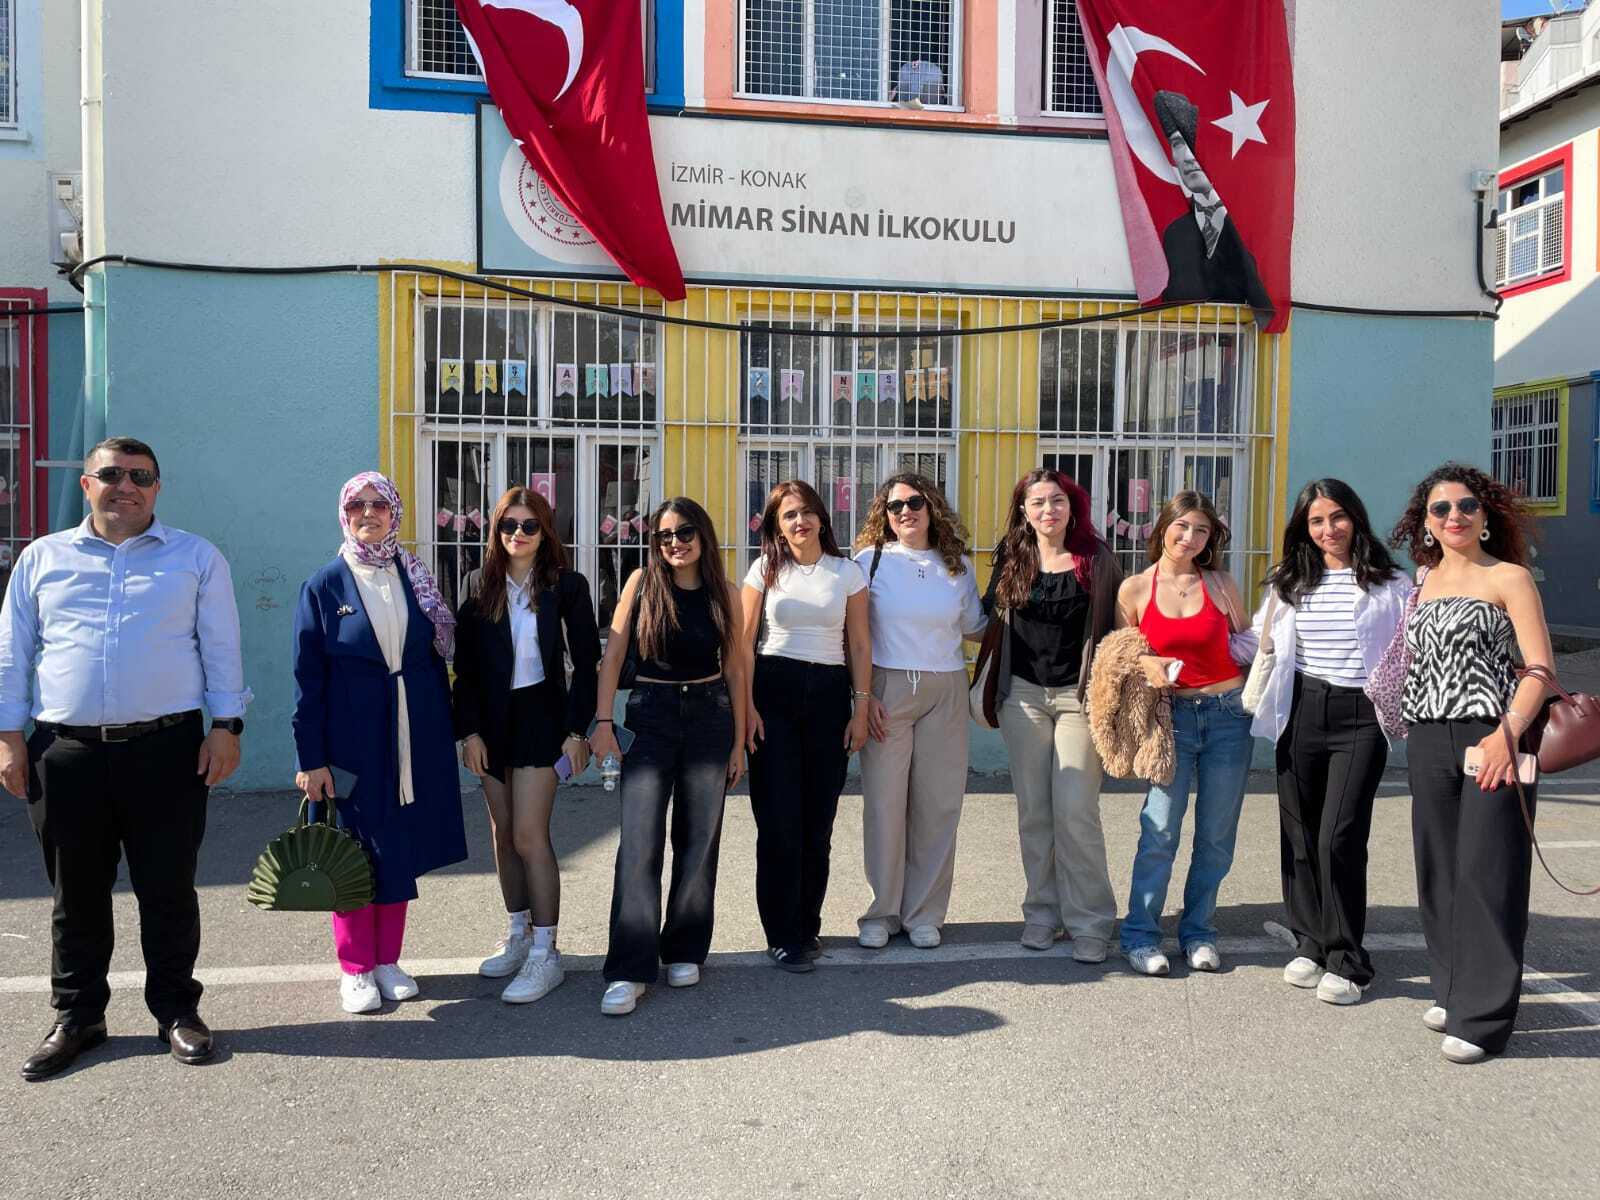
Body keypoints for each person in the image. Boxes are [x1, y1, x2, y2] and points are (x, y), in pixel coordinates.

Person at [0, 437, 249, 1080]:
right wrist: (7, 736)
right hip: (65, 753)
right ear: (87, 485)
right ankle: (78, 1016)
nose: (125, 486)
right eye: (111, 474)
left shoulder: (196, 558)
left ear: (157, 487)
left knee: (168, 889)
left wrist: (226, 726)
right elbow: (12, 652)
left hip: (166, 750)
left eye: (140, 475)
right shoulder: (42, 558)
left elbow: (221, 647)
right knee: (75, 895)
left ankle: (177, 1010)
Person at [1390, 463, 1553, 1064]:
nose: (1453, 516)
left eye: (1465, 506)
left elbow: (1540, 669)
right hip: (1429, 737)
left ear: (1485, 516)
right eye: (1440, 509)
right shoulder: (1425, 580)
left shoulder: (1509, 576)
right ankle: (1453, 988)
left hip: (1492, 735)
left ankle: (1483, 1019)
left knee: (1489, 873)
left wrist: (1507, 734)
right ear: (1426, 523)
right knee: (1440, 870)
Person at [292, 472, 469, 1015]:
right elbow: (307, 679)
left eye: (378, 505)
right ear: (343, 516)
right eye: (356, 506)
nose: (367, 513)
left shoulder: (414, 575)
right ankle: (355, 968)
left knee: (397, 847)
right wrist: (311, 759)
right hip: (351, 743)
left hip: (412, 736)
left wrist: (446, 732)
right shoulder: (324, 585)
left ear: (395, 513)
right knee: (352, 850)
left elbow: (433, 656)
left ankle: (388, 961)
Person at [1251, 479, 1411, 1005]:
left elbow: (1413, 647)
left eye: (1337, 517)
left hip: (1360, 717)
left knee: (1339, 836)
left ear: (1355, 518)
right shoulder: (1290, 581)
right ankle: (1310, 942)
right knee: (1299, 833)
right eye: (1316, 521)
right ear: (1305, 528)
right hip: (1300, 709)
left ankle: (1348, 961)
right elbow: (1256, 640)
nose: (1328, 529)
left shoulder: (1391, 583)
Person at [590, 498, 747, 1016]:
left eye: (684, 533)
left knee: (699, 841)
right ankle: (629, 968)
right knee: (639, 844)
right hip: (651, 717)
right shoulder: (642, 583)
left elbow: (737, 667)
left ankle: (684, 948)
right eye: (664, 536)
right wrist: (604, 723)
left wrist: (739, 740)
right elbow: (613, 654)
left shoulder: (725, 592)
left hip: (710, 717)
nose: (674, 543)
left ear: (702, 534)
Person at [452, 487, 600, 1004]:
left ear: (545, 531)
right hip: (493, 722)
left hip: (542, 716)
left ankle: (546, 952)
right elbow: (465, 669)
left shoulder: (567, 585)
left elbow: (587, 664)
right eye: (508, 525)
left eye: (529, 525)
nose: (518, 534)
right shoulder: (478, 583)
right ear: (495, 531)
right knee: (503, 832)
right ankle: (518, 933)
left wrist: (577, 732)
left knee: (529, 835)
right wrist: (468, 732)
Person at [984, 469, 1124, 962]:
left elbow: (1117, 626)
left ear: (1072, 506)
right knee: (1034, 813)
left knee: (1075, 811)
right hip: (1022, 696)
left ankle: (1090, 921)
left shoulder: (1096, 559)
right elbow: (988, 618)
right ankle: (1042, 913)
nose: (1048, 510)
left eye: (1057, 500)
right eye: (1038, 502)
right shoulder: (1012, 556)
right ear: (1024, 511)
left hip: (1078, 698)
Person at [1116, 490, 1255, 976]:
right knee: (1160, 831)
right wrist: (1146, 662)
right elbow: (1122, 655)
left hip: (1228, 716)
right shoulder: (1135, 588)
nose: (1190, 538)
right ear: (1163, 527)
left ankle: (1198, 932)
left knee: (1216, 835)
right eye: (1182, 526)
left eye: (1201, 530)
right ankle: (1140, 935)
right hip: (1169, 720)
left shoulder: (1220, 584)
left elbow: (1246, 644)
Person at [739, 480, 871, 972]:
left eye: (807, 511)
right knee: (778, 821)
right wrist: (746, 708)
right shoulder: (764, 570)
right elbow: (744, 642)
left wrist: (861, 708)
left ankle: (806, 925)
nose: (800, 521)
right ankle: (781, 934)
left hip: (829, 696)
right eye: (789, 514)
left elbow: (859, 644)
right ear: (777, 525)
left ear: (821, 517)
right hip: (772, 690)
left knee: (818, 822)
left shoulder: (847, 572)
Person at [853, 473, 987, 950]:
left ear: (932, 507)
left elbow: (975, 627)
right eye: (895, 506)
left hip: (945, 687)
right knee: (885, 805)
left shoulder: (958, 566)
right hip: (886, 688)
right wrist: (861, 695)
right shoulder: (868, 562)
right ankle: (882, 912)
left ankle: (924, 913)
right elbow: (854, 635)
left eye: (914, 503)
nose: (905, 512)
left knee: (938, 805)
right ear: (884, 515)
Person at [1152, 90, 1273, 324]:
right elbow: (1180, 302)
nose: (1187, 157)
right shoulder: (1177, 233)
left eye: (1191, 145)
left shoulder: (1244, 222)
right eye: (1177, 144)